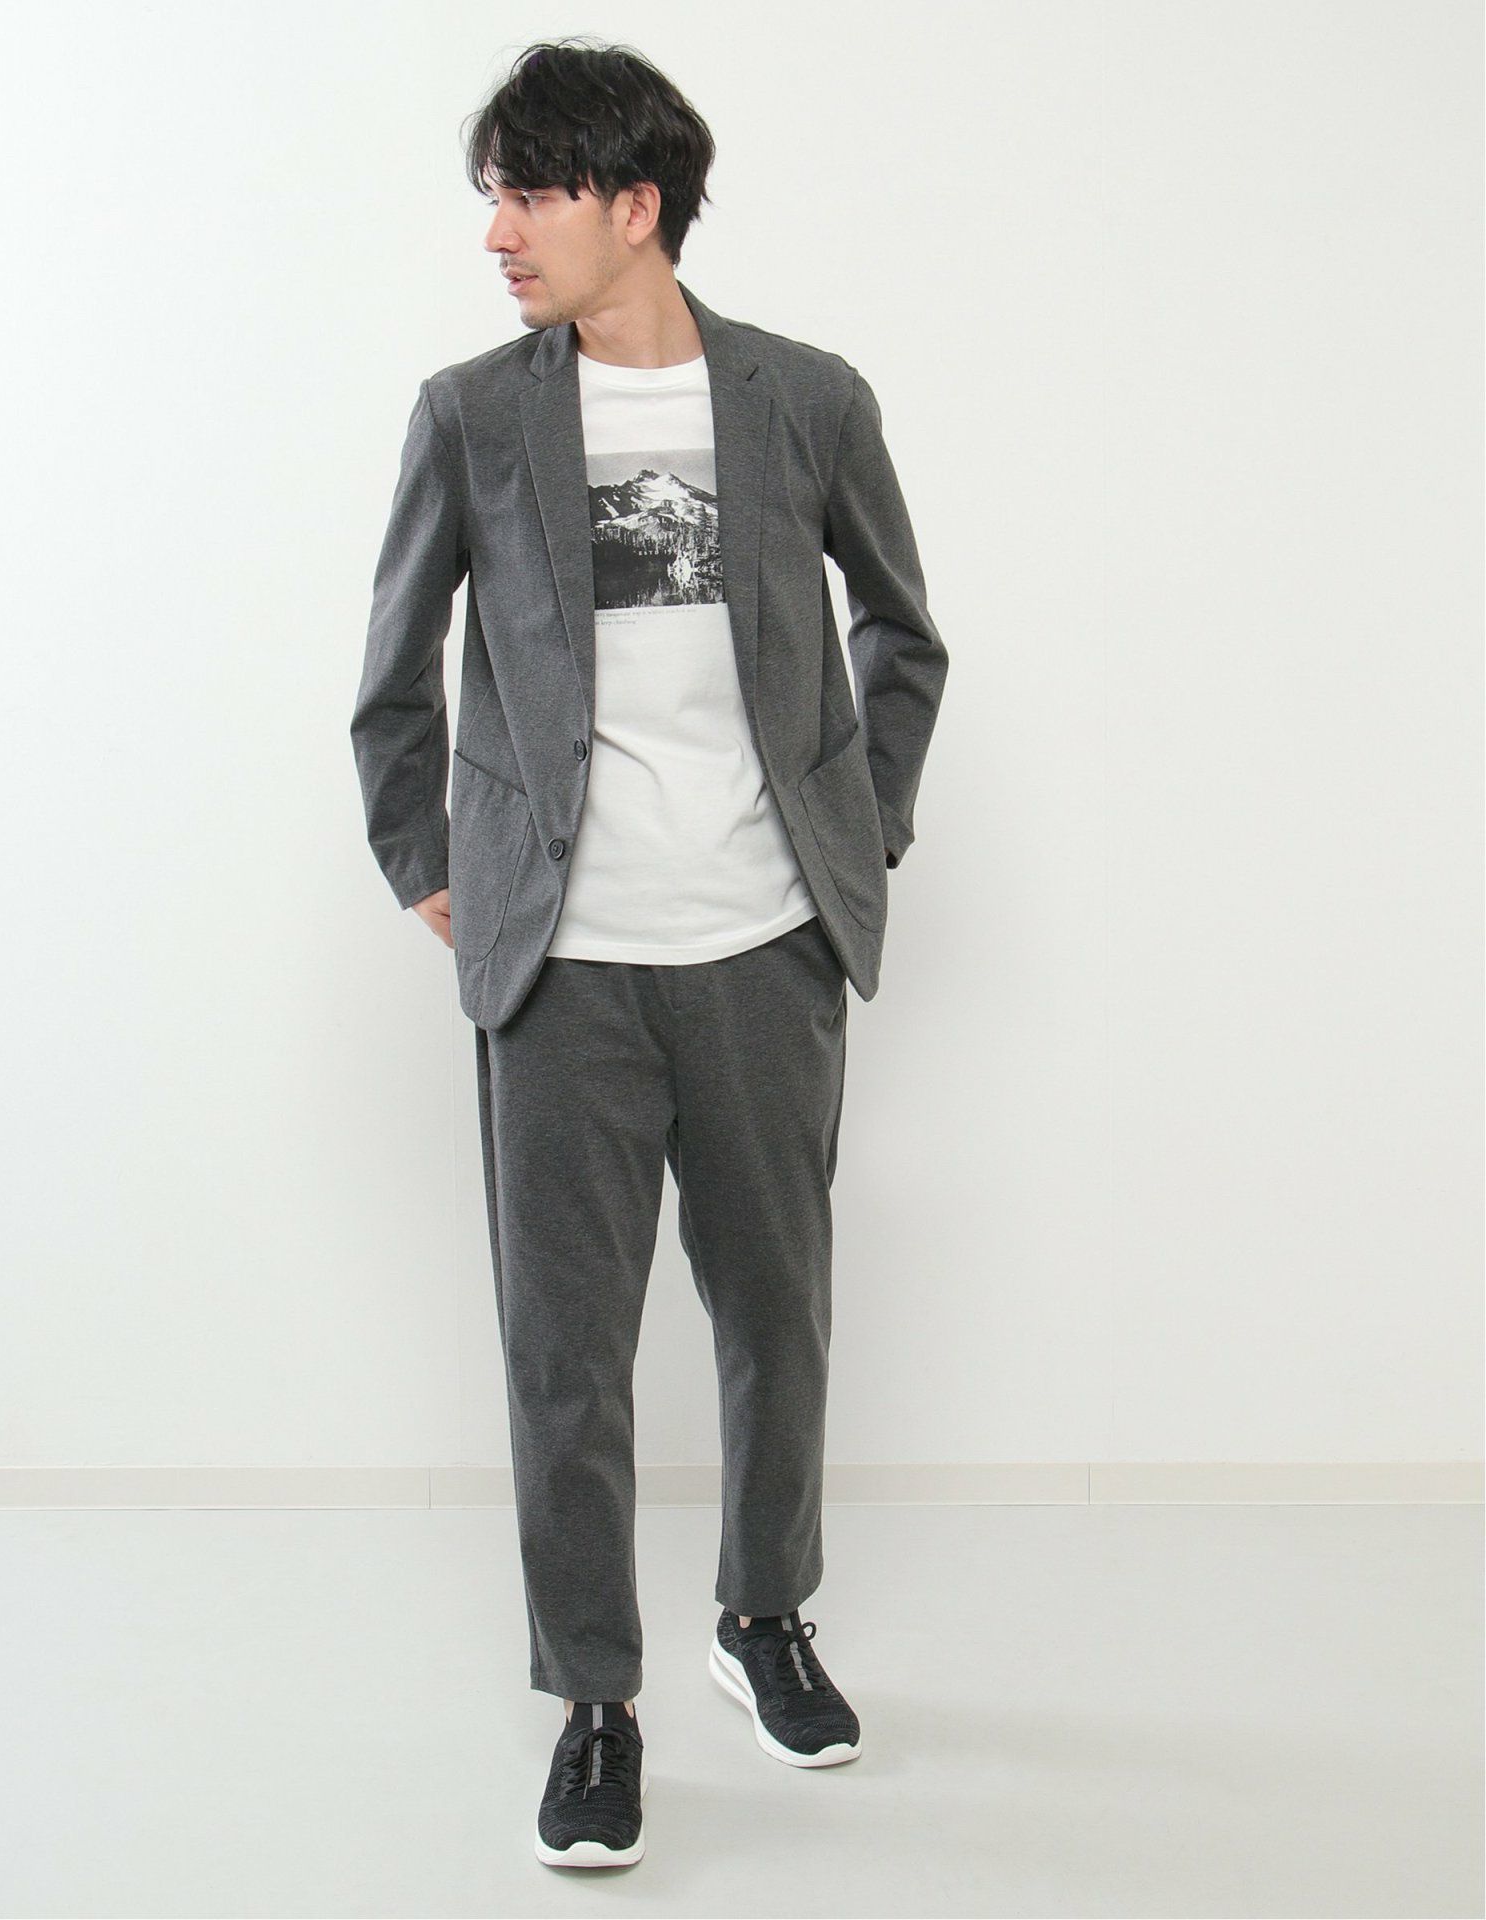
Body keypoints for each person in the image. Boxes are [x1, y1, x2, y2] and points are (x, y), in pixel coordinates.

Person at [350, 35, 948, 1871]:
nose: (498, 234)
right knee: (567, 1356)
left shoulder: (806, 400)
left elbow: (902, 636)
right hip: (561, 971)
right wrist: (429, 863)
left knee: (777, 1313)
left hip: (763, 948)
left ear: (635, 205)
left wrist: (859, 829)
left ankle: (764, 1616)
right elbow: (392, 671)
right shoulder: (471, 413)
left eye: (529, 196)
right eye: (494, 198)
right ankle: (594, 1703)